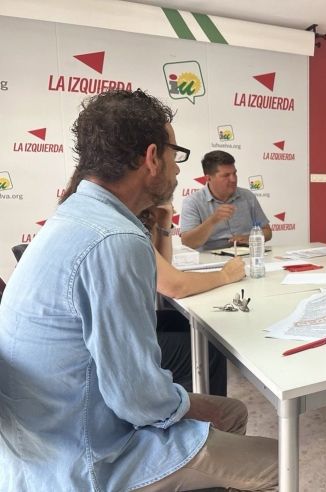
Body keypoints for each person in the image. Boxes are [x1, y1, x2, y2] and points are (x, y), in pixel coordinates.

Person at [0, 90, 277, 491]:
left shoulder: (77, 213)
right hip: (89, 458)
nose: (178, 169)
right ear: (151, 158)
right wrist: (186, 406)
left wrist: (183, 404)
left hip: (42, 444)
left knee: (230, 411)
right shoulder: (115, 239)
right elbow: (138, 399)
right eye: (175, 155)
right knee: (285, 465)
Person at [141, 203, 246, 396]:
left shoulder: (127, 217)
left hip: (123, 328)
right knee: (208, 349)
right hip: (110, 348)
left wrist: (164, 223)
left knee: (184, 322)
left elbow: (161, 268)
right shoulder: (125, 224)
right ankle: (206, 413)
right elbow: (174, 286)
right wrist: (225, 275)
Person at [180, 150, 271, 250]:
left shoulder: (248, 196)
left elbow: (267, 232)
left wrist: (249, 238)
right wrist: (213, 220)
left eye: (234, 173)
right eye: (226, 175)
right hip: (211, 257)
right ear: (208, 178)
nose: (233, 179)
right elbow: (187, 243)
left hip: (246, 254)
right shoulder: (192, 202)